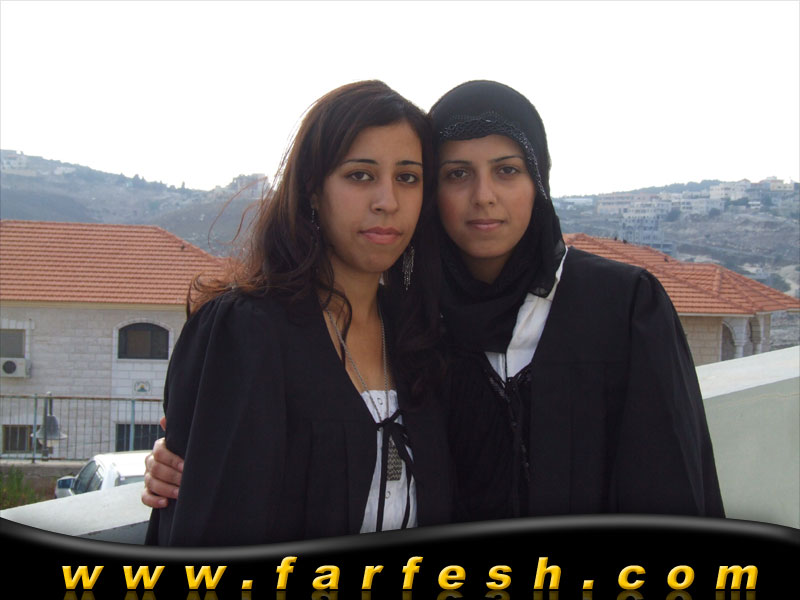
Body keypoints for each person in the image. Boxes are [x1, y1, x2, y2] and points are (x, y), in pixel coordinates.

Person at [143, 80, 725, 524]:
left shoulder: (621, 309)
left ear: (539, 183)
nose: (484, 196)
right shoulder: (427, 327)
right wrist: (179, 456)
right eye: (456, 173)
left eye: (508, 170)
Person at [144, 80, 452, 546]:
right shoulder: (245, 332)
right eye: (360, 175)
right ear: (312, 189)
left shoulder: (422, 337)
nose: (387, 201)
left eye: (407, 178)